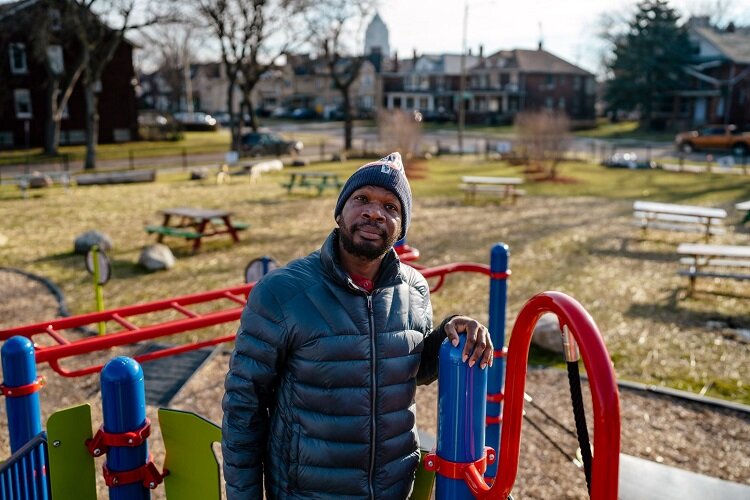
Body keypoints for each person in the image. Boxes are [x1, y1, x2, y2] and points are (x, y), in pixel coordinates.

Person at [222, 152, 494, 499]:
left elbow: (408, 369)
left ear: (401, 228)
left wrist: (450, 332)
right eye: (362, 199)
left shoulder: (413, 289)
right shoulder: (282, 292)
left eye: (391, 207)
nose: (374, 212)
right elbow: (244, 406)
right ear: (339, 212)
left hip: (392, 488)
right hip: (308, 491)